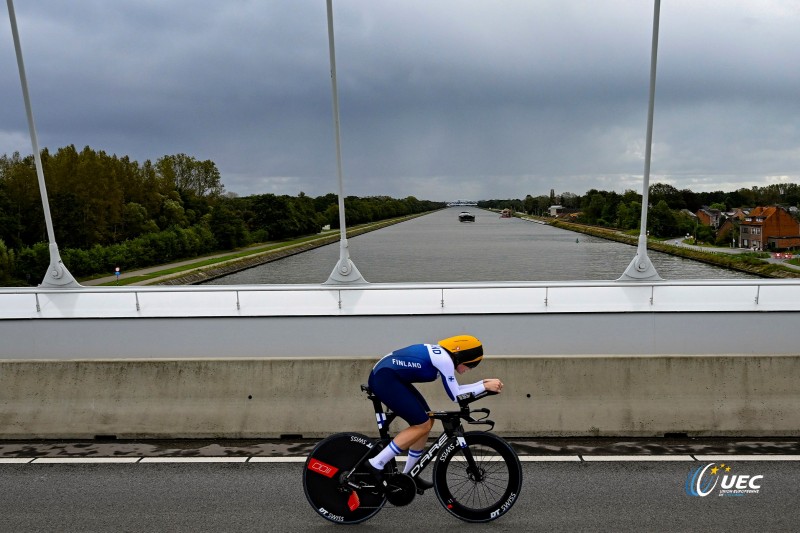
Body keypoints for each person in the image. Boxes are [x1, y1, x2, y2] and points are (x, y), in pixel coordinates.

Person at [366, 334, 504, 488]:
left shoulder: (443, 356)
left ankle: (410, 474)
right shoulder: (445, 360)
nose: (469, 370)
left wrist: (482, 383)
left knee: (427, 420)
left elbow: (457, 389)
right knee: (421, 424)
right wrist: (484, 387)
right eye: (471, 365)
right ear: (461, 356)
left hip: (390, 377)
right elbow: (456, 396)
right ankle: (376, 464)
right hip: (384, 378)